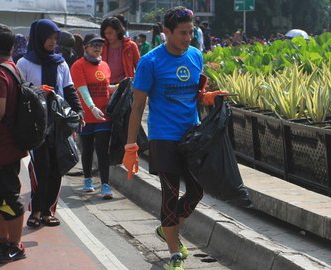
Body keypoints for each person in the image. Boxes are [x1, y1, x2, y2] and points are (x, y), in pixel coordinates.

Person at [122, 6, 226, 270]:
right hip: (163, 136)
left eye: (191, 32)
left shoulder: (194, 56)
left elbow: (196, 93)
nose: (187, 38)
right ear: (166, 32)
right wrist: (131, 146)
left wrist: (207, 97)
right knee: (170, 193)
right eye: (182, 33)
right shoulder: (150, 62)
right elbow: (136, 107)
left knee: (196, 191)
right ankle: (174, 253)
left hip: (191, 136)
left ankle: (167, 228)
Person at [17, 19, 84, 228]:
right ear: (38, 37)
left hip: (59, 123)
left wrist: (79, 111)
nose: (52, 42)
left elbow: (70, 89)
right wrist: (38, 90)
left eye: (55, 39)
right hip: (36, 125)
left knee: (57, 167)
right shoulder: (24, 63)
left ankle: (48, 211)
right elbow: (19, 90)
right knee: (41, 167)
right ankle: (35, 210)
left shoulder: (61, 62)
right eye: (49, 38)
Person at [71, 34, 116, 199]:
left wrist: (120, 86)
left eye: (100, 45)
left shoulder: (104, 65)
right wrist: (91, 107)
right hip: (86, 116)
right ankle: (88, 180)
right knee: (87, 149)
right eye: (94, 44)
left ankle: (105, 184)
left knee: (103, 150)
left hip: (103, 115)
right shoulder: (78, 66)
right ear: (85, 47)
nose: (97, 48)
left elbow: (105, 88)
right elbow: (82, 89)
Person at [0, 23, 27, 264]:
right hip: (11, 145)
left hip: (3, 148)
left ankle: (15, 245)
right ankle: (3, 239)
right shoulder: (12, 68)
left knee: (8, 197)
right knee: (2, 196)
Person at [100, 17, 140, 85]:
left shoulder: (131, 46)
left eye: (110, 33)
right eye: (105, 33)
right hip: (105, 86)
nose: (107, 36)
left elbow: (139, 68)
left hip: (125, 87)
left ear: (118, 31)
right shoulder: (101, 46)